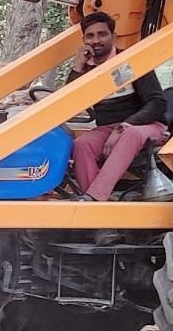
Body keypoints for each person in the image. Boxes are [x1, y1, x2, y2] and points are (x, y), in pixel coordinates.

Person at [68, 11, 167, 201]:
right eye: (90, 35)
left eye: (102, 34)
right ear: (84, 40)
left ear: (113, 37)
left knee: (129, 134)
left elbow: (157, 102)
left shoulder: (131, 61)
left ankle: (95, 196)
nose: (96, 40)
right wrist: (77, 66)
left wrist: (124, 126)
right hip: (107, 128)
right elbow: (70, 102)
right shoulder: (87, 68)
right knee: (81, 144)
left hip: (145, 126)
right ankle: (97, 204)